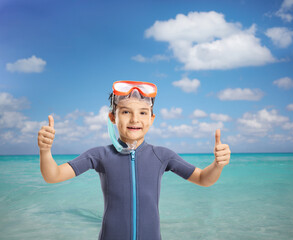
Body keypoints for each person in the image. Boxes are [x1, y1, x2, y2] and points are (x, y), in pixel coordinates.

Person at [38, 80, 231, 240]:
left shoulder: (162, 155)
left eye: (142, 112)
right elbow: (53, 176)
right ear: (112, 117)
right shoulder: (100, 155)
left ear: (152, 119)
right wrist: (45, 151)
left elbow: (204, 179)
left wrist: (217, 165)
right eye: (125, 112)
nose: (134, 119)